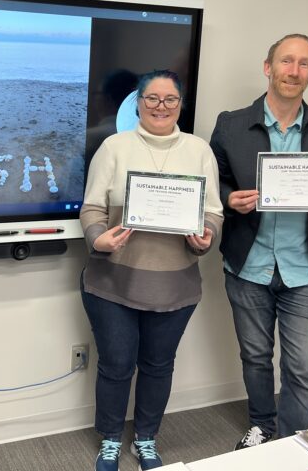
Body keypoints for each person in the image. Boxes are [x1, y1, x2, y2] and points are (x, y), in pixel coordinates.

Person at [209, 34, 308, 448]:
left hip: (305, 270)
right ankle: (262, 427)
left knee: (302, 368)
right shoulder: (230, 123)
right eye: (286, 61)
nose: (294, 71)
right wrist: (228, 199)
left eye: (304, 64)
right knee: (256, 358)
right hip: (248, 266)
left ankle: (295, 442)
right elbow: (214, 184)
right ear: (268, 67)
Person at [80, 70, 224, 471]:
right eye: (152, 98)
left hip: (174, 285)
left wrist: (207, 235)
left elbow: (213, 210)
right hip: (113, 281)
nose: (161, 107)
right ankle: (110, 439)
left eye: (170, 99)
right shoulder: (114, 147)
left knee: (159, 366)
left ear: (180, 104)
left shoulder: (198, 150)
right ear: (138, 102)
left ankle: (146, 437)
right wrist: (98, 238)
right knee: (116, 365)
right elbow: (91, 207)